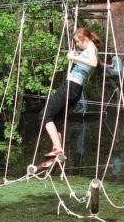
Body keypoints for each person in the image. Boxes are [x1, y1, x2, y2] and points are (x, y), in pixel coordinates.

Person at [39, 28, 100, 168]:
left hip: (71, 87)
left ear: (85, 38)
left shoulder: (90, 47)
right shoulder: (90, 49)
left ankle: (58, 149)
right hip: (75, 89)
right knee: (55, 119)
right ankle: (56, 150)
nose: (77, 44)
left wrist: (74, 57)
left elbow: (94, 62)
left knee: (44, 116)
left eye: (78, 41)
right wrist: (77, 54)